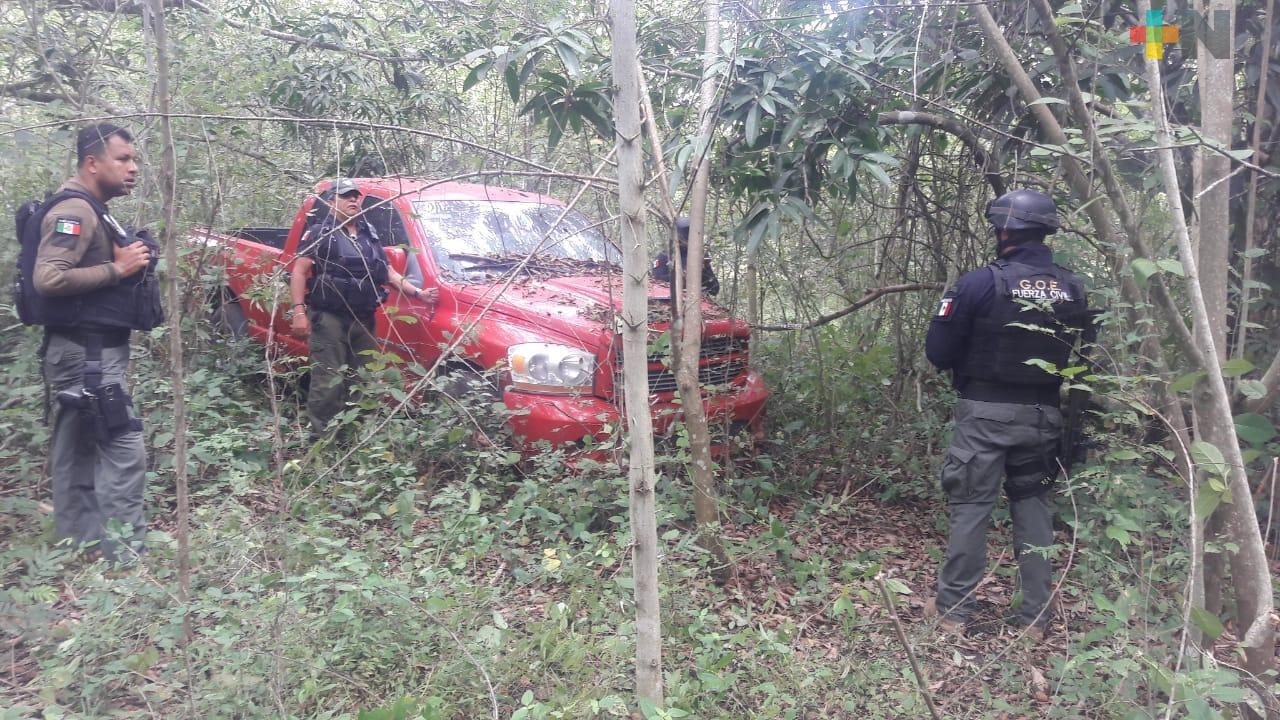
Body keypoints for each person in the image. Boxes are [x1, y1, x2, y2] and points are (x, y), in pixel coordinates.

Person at [923, 189, 1089, 641]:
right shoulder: (1072, 287)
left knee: (972, 506)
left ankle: (955, 611)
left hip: (984, 416)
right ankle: (1035, 617)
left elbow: (938, 351)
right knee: (1033, 507)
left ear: (1003, 231)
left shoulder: (978, 283)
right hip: (1045, 415)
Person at [30, 123, 161, 564]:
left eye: (134, 160)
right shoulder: (76, 212)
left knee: (75, 446)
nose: (133, 168)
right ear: (91, 162)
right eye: (123, 159)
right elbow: (49, 278)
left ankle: (77, 546)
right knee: (123, 449)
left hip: (82, 349)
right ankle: (126, 558)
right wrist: (118, 270)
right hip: (87, 355)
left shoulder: (92, 208)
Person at [288, 179, 437, 435]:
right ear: (331, 201)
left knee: (364, 379)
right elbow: (299, 272)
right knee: (327, 382)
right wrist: (299, 312)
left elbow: (388, 272)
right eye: (346, 196)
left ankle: (356, 438)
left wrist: (419, 293)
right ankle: (322, 442)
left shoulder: (369, 235)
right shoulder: (319, 233)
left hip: (364, 319)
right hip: (329, 318)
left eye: (356, 196)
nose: (353, 200)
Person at [653, 216, 720, 296]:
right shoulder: (664, 257)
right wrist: (681, 276)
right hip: (670, 301)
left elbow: (714, 289)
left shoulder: (700, 256)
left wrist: (704, 270)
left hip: (696, 303)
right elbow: (656, 282)